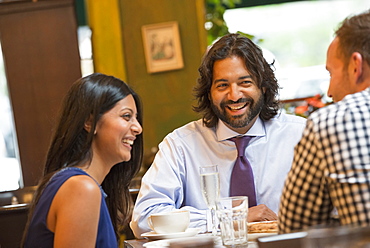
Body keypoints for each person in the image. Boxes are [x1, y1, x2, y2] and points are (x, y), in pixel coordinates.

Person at [131, 33, 306, 237]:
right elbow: (144, 218)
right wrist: (231, 217)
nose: (234, 95)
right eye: (222, 85)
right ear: (209, 93)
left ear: (264, 87)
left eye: (245, 82)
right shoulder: (180, 145)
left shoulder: (300, 135)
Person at [22, 73, 143, 247]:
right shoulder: (81, 189)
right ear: (89, 121)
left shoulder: (72, 183)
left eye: (136, 118)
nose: (138, 128)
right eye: (126, 116)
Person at [278, 9, 370, 233]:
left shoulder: (332, 122)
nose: (329, 92)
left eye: (331, 73)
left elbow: (294, 229)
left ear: (355, 66)